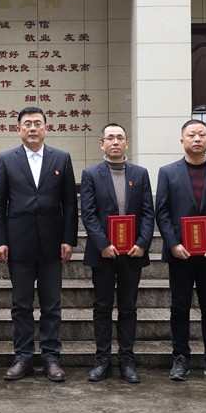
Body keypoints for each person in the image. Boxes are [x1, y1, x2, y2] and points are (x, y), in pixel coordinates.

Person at [0, 107, 78, 382]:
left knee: (52, 304)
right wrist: (0, 241)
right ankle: (24, 357)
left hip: (53, 244)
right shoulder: (6, 159)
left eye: (37, 123)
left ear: (46, 128)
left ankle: (51, 358)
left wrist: (69, 239)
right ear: (18, 129)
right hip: (19, 243)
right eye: (26, 123)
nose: (32, 128)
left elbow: (70, 204)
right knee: (21, 304)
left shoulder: (61, 158)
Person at [155, 119, 206, 384]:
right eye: (191, 135)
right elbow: (162, 212)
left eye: (202, 134)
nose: (197, 138)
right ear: (182, 141)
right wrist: (173, 244)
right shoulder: (168, 172)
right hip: (180, 253)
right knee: (179, 307)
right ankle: (180, 357)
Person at [80, 123, 155, 383]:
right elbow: (88, 214)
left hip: (132, 252)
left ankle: (126, 360)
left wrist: (143, 242)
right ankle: (102, 360)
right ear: (102, 144)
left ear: (126, 143)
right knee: (102, 307)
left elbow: (148, 212)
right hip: (102, 253)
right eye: (110, 138)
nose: (115, 142)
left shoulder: (140, 174)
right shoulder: (91, 174)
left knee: (128, 307)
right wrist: (103, 243)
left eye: (120, 137)